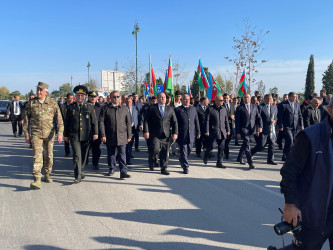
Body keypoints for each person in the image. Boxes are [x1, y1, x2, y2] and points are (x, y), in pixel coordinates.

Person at [277, 96, 333, 250]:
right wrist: (290, 205)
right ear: (329, 110)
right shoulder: (310, 136)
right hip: (315, 213)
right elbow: (289, 171)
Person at [22, 82, 64, 189]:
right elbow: (26, 121)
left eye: (41, 90)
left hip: (49, 134)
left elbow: (59, 120)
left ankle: (47, 173)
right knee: (37, 155)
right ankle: (37, 179)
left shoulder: (52, 103)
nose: (39, 92)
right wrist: (27, 135)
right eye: (38, 90)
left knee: (49, 155)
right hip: (36, 134)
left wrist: (60, 133)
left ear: (46, 91)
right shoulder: (31, 103)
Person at [64, 85, 98, 183]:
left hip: (86, 135)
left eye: (82, 95)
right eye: (78, 95)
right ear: (75, 96)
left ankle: (81, 169)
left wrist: (95, 133)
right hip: (74, 136)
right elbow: (67, 122)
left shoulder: (90, 107)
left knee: (84, 155)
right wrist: (66, 135)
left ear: (85, 96)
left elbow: (94, 121)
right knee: (77, 155)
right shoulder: (71, 107)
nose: (80, 97)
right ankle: (77, 175)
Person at [143, 92, 178, 175]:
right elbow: (146, 121)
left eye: (164, 97)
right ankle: (151, 160)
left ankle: (164, 168)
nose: (163, 99)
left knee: (165, 152)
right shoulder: (151, 108)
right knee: (155, 149)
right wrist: (146, 131)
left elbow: (174, 122)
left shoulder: (170, 109)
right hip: (155, 133)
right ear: (158, 99)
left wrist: (175, 133)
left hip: (166, 134)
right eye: (161, 97)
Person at [99, 91, 132, 178]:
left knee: (122, 153)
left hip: (122, 135)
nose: (116, 98)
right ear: (110, 98)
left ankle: (123, 171)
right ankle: (112, 168)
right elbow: (101, 122)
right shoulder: (105, 108)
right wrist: (103, 135)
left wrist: (129, 135)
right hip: (110, 135)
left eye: (118, 97)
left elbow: (128, 122)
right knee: (111, 153)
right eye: (114, 97)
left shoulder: (124, 108)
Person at [235, 93, 263, 170]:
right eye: (245, 97)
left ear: (250, 98)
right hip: (243, 129)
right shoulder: (239, 108)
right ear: (242, 98)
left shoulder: (254, 106)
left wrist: (260, 126)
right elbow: (237, 121)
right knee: (247, 144)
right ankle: (250, 163)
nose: (246, 99)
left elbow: (258, 118)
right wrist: (238, 132)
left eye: (248, 97)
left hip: (251, 128)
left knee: (245, 143)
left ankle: (239, 157)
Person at [174, 94, 200, 174]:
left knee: (189, 149)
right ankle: (186, 166)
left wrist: (198, 132)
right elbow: (175, 122)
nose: (187, 101)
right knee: (184, 150)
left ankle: (182, 159)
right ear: (182, 100)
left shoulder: (193, 109)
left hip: (191, 134)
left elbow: (196, 121)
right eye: (185, 99)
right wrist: (175, 132)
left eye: (188, 99)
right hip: (182, 134)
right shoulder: (178, 110)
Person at [203, 95, 230, 168]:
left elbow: (226, 120)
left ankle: (219, 162)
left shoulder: (224, 109)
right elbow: (207, 121)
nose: (222, 102)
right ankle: (206, 155)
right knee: (211, 146)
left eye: (222, 101)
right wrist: (206, 130)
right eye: (221, 100)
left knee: (221, 147)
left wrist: (228, 130)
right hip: (213, 131)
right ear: (216, 100)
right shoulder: (210, 109)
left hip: (222, 131)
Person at [250, 94, 278, 165]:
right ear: (264, 99)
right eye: (267, 98)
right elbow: (257, 118)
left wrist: (275, 121)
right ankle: (251, 152)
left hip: (272, 129)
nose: (269, 100)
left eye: (270, 98)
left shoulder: (274, 107)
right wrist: (258, 128)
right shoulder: (260, 107)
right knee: (261, 145)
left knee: (272, 144)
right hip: (263, 129)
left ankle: (270, 160)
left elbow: (276, 117)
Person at [277, 92, 304, 161]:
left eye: (295, 97)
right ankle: (287, 155)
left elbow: (300, 115)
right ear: (289, 97)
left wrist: (301, 125)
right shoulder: (283, 104)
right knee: (290, 140)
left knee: (291, 141)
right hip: (286, 126)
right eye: (293, 97)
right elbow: (280, 116)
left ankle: (285, 155)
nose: (295, 98)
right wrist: (281, 125)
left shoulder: (297, 104)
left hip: (294, 126)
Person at [87, 91, 102, 170]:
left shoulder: (100, 107)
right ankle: (84, 162)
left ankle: (95, 163)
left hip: (97, 132)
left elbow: (102, 120)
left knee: (96, 149)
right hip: (86, 132)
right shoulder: (84, 106)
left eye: (94, 97)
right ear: (88, 97)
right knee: (85, 149)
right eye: (91, 96)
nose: (93, 98)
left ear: (97, 98)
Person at [125, 96, 142, 165]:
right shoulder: (123, 109)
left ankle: (129, 153)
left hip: (134, 128)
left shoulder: (135, 109)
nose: (128, 103)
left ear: (132, 102)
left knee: (131, 143)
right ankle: (127, 160)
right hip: (126, 129)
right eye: (127, 101)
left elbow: (139, 117)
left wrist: (141, 124)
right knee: (127, 144)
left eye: (129, 101)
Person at [223, 93, 236, 159]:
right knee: (224, 139)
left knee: (228, 139)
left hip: (230, 124)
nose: (226, 99)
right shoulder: (221, 105)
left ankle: (224, 149)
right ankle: (226, 153)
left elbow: (235, 113)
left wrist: (234, 116)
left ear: (229, 98)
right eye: (224, 98)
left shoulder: (232, 105)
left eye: (227, 98)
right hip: (223, 125)